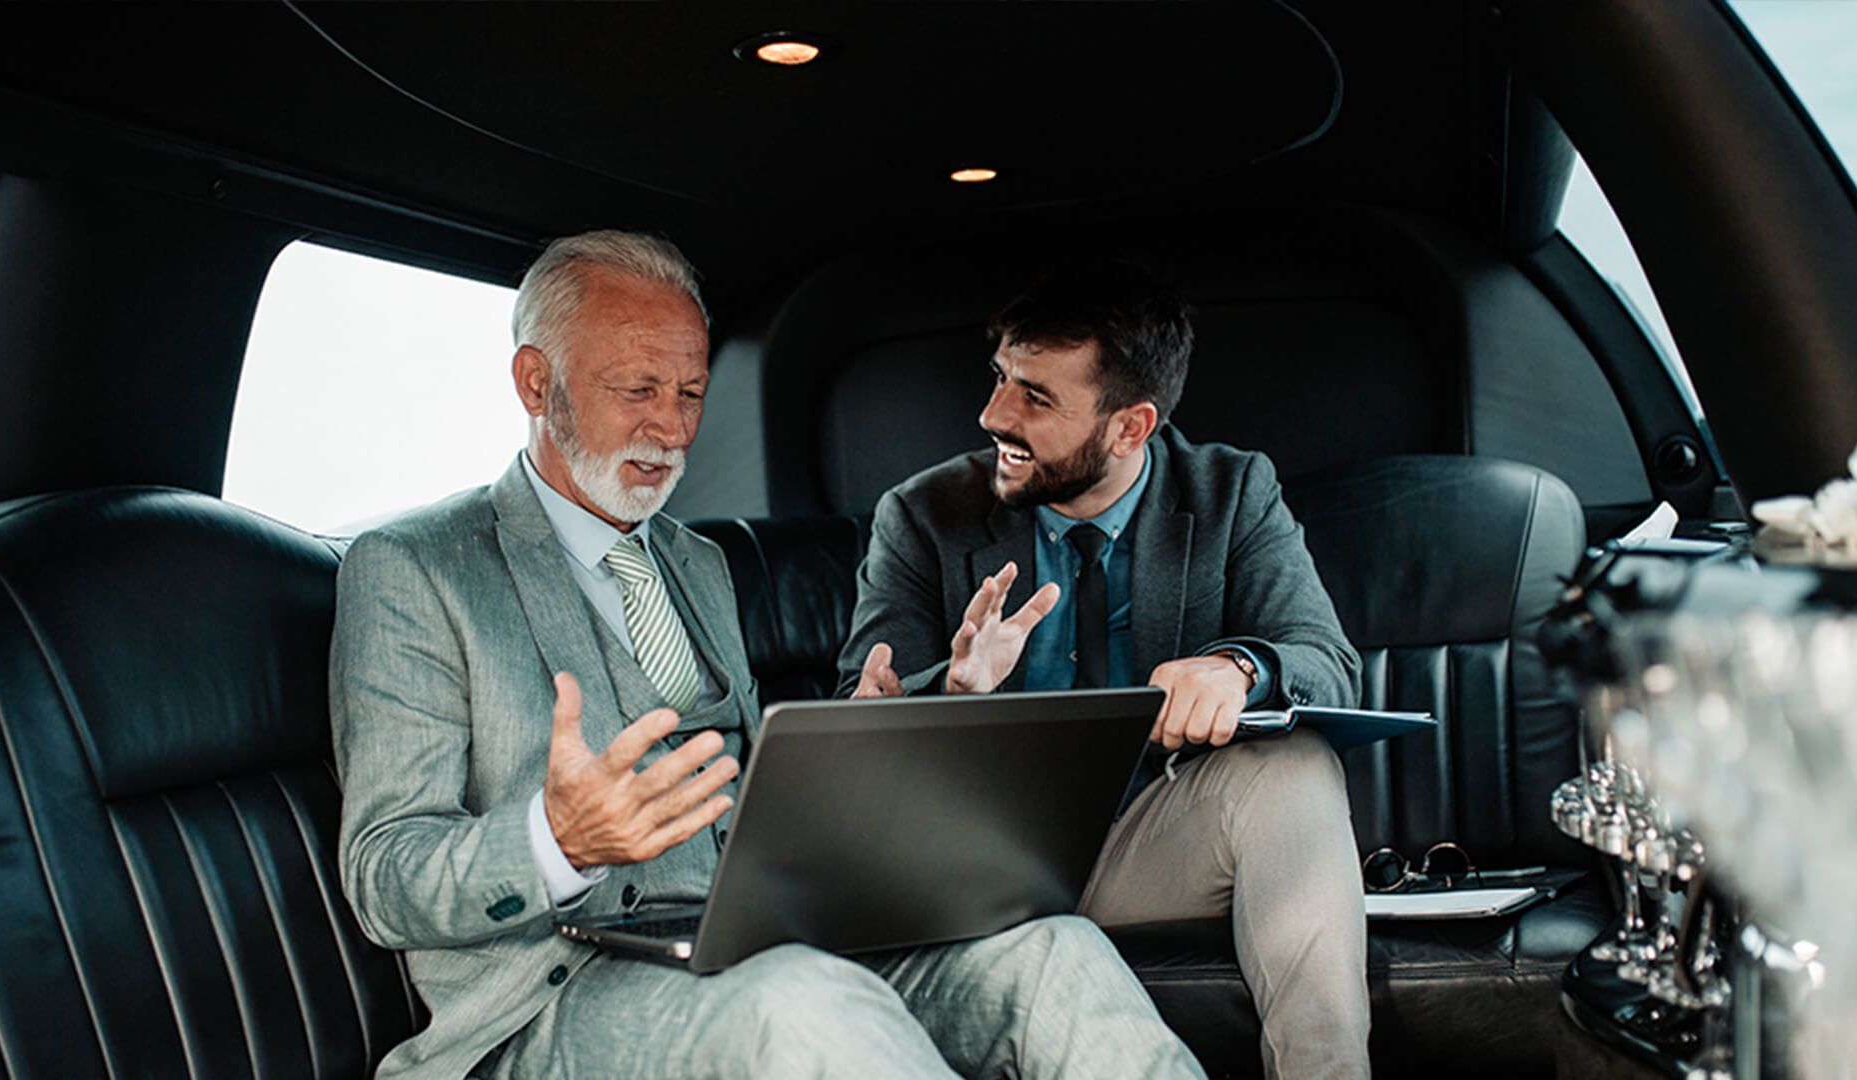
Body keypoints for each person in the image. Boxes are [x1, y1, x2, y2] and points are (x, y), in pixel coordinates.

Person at [330, 231, 1205, 1080]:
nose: (672, 429)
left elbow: (745, 801)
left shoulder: (698, 565)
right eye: (638, 389)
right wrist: (558, 840)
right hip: (554, 1002)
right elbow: (382, 873)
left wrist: (874, 740)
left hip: (765, 942)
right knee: (801, 1002)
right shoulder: (416, 568)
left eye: (691, 393)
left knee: (1049, 948)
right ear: (535, 381)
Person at [839, 261, 1370, 1079]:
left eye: (1036, 398)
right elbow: (861, 707)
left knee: (1296, 768)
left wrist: (1238, 669)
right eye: (1001, 379)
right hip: (985, 862)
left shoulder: (1232, 492)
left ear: (1130, 427)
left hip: (1156, 846)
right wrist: (948, 693)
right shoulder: (921, 515)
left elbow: (1325, 663)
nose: (992, 415)